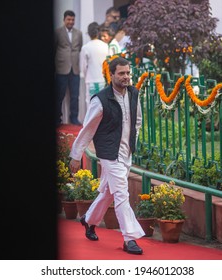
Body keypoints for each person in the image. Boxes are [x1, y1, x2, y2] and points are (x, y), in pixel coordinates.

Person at [69, 57, 145, 255]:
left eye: (128, 73)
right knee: (121, 193)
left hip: (126, 152)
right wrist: (76, 155)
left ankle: (88, 220)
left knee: (109, 193)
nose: (126, 77)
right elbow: (87, 130)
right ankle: (130, 238)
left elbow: (137, 121)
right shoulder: (100, 100)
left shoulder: (134, 94)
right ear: (111, 75)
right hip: (109, 154)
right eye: (121, 73)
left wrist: (131, 143)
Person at [54, 10, 83, 126]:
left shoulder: (79, 33)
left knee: (75, 96)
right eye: (68, 19)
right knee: (59, 95)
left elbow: (79, 48)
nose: (71, 22)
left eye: (72, 19)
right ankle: (57, 119)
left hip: (75, 69)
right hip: (61, 68)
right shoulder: (57, 32)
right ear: (64, 20)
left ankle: (74, 118)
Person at [80, 22, 109, 110]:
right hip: (103, 80)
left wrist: (85, 76)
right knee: (103, 103)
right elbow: (109, 63)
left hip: (91, 80)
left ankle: (91, 123)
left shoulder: (85, 48)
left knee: (91, 104)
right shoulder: (105, 46)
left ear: (88, 33)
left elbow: (83, 67)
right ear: (99, 32)